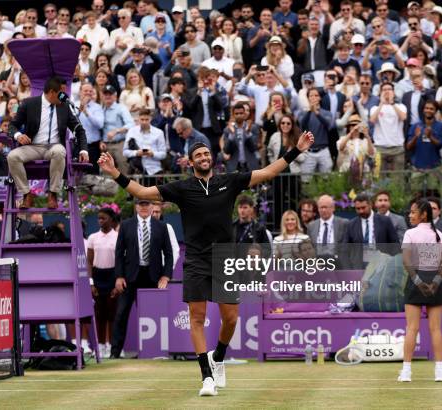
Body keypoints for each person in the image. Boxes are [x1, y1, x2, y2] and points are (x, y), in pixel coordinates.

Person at [98, 127, 314, 395]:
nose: (203, 157)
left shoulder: (230, 181)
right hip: (197, 258)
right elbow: (141, 192)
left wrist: (297, 150)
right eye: (198, 154)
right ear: (190, 162)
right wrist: (113, 173)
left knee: (231, 319)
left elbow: (269, 172)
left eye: (206, 153)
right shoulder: (181, 188)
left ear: (211, 159)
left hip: (224, 258)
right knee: (196, 317)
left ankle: (219, 356)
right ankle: (206, 376)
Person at [7, 75, 89, 209]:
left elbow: (79, 130)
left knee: (59, 151)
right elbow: (12, 126)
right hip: (32, 147)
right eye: (62, 93)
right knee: (12, 156)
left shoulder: (65, 107)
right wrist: (18, 135)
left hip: (53, 148)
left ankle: (53, 194)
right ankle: (27, 194)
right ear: (52, 92)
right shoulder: (29, 104)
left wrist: (83, 150)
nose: (65, 97)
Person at [111, 199, 173, 359]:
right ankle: (114, 353)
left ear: (152, 207)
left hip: (153, 277)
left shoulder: (161, 226)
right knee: (121, 314)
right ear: (136, 207)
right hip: (130, 277)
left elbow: (169, 253)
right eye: (141, 205)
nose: (144, 207)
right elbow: (118, 253)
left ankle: (157, 351)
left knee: (155, 315)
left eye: (147, 205)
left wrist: (166, 276)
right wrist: (119, 276)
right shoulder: (126, 225)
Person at [398, 199, 442, 383]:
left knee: (412, 328)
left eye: (413, 212)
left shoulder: (411, 234)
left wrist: (419, 281)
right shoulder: (441, 236)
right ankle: (439, 371)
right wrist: (435, 282)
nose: (410, 215)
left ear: (424, 214)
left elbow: (406, 261)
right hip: (434, 283)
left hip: (415, 282)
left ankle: (406, 372)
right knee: (435, 328)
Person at [87, 207, 119, 359]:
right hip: (98, 276)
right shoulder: (93, 237)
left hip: (113, 276)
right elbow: (89, 262)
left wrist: (117, 282)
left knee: (112, 313)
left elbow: (121, 261)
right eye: (99, 218)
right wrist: (91, 282)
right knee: (100, 314)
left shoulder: (118, 236)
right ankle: (99, 346)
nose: (100, 221)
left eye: (103, 218)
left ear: (111, 220)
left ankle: (111, 346)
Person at [406, 100, 442, 170]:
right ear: (423, 110)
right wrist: (415, 137)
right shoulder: (415, 126)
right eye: (426, 108)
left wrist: (430, 137)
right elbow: (408, 147)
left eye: (431, 109)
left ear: (436, 111)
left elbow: (440, 145)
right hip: (417, 167)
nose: (428, 110)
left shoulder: (441, 126)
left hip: (434, 166)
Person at [307, 195, 349, 259]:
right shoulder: (311, 226)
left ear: (333, 208)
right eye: (321, 207)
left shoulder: (343, 223)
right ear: (318, 209)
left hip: (338, 264)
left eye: (326, 207)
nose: (323, 210)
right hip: (317, 264)